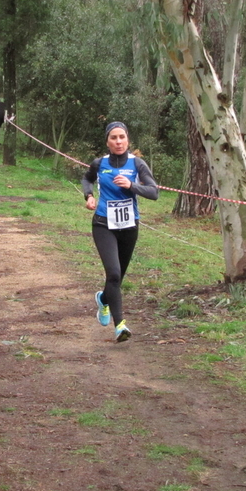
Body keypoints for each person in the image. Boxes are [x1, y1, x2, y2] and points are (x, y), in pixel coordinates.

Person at [81, 122, 159, 342]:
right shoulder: (100, 163)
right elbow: (87, 178)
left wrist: (131, 186)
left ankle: (103, 299)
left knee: (117, 279)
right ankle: (120, 326)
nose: (118, 141)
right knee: (113, 274)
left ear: (128, 140)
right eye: (113, 138)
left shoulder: (137, 164)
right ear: (107, 141)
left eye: (122, 137)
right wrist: (88, 196)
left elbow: (154, 192)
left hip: (129, 227)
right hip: (103, 224)